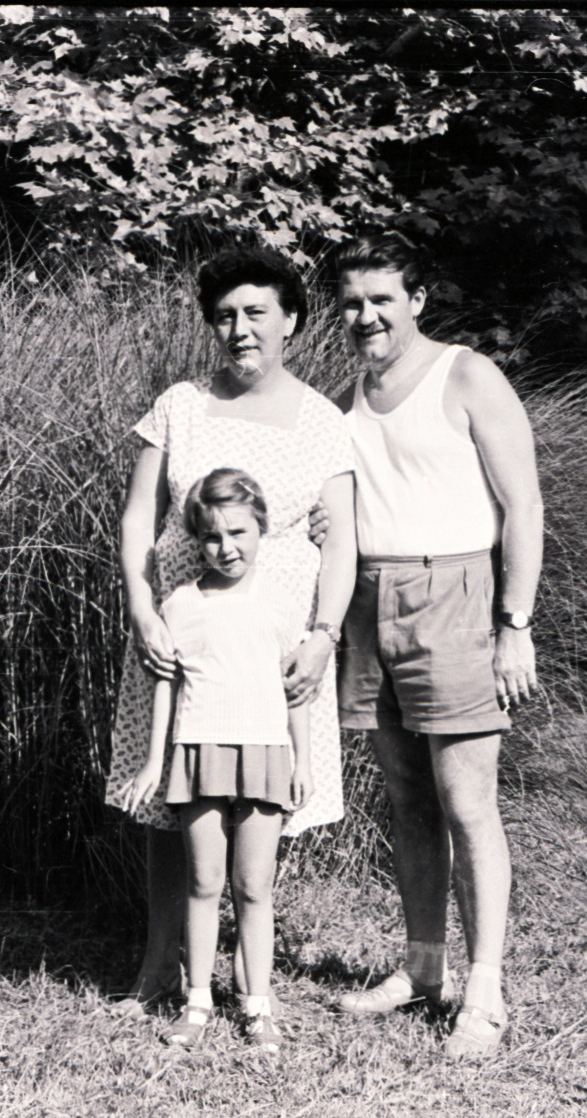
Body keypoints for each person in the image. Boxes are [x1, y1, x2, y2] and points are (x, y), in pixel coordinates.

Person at [104, 246, 357, 1018]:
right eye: (225, 316)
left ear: (290, 320)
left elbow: (342, 538)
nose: (240, 330)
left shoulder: (321, 419)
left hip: (278, 647)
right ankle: (158, 968)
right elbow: (137, 517)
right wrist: (143, 610)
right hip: (180, 632)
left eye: (256, 313)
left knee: (256, 805)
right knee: (170, 803)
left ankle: (249, 981)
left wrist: (323, 635)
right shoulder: (178, 405)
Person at [330, 231, 543, 1059]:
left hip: (453, 595)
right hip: (369, 602)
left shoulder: (467, 374)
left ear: (417, 300)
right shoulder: (351, 390)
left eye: (382, 298)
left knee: (467, 802)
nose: (366, 315)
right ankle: (423, 968)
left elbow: (522, 504)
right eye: (352, 302)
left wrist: (514, 625)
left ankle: (483, 990)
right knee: (407, 801)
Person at [115, 469, 310, 1050]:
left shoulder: (280, 602)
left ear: (262, 529)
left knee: (254, 886)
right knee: (203, 881)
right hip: (198, 753)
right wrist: (154, 763)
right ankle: (196, 1001)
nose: (228, 548)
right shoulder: (179, 604)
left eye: (240, 533)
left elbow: (293, 689)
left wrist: (302, 761)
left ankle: (258, 1007)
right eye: (212, 538)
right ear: (196, 541)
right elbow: (166, 690)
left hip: (266, 753)